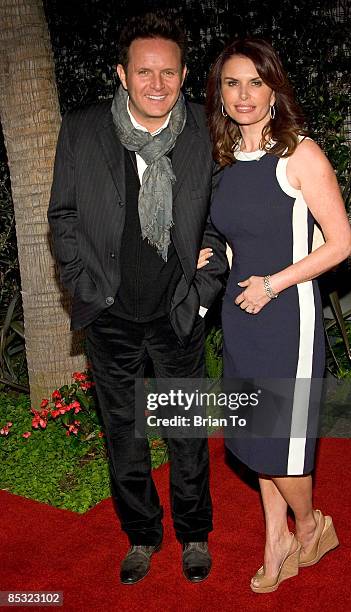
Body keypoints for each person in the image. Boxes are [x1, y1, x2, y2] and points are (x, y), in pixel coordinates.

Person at [48, 12, 227, 585]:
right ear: (122, 74)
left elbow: (222, 220)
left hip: (178, 312)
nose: (157, 84)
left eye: (168, 73)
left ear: (182, 75)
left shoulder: (205, 130)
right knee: (124, 435)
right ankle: (142, 535)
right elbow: (64, 217)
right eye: (144, 72)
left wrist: (201, 294)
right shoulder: (81, 131)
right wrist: (83, 283)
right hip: (111, 315)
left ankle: (194, 533)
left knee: (186, 433)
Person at [206, 38, 351, 593]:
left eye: (255, 82)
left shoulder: (300, 154)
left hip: (287, 316)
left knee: (282, 445)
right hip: (240, 315)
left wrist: (274, 283)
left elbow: (339, 244)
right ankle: (278, 539)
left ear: (273, 90)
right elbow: (238, 238)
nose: (243, 94)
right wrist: (212, 254)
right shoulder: (223, 160)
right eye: (231, 83)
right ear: (219, 94)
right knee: (255, 437)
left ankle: (312, 525)